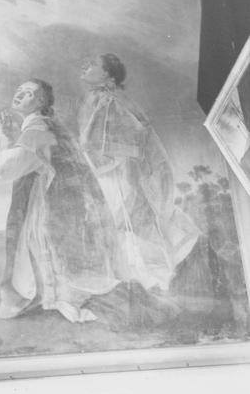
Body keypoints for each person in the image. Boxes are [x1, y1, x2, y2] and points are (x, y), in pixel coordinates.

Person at [0, 79, 119, 323]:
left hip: (48, 202)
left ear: (40, 101)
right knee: (39, 246)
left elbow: (5, 169)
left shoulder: (36, 130)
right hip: (55, 199)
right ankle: (52, 296)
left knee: (39, 244)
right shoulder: (46, 126)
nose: (19, 95)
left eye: (28, 93)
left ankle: (55, 298)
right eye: (18, 91)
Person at [78, 54, 200, 291]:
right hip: (107, 173)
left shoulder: (112, 100)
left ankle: (156, 279)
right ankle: (137, 279)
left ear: (108, 74)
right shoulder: (95, 99)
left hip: (123, 174)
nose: (85, 65)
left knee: (131, 219)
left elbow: (135, 140)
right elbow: (90, 143)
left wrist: (130, 179)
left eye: (92, 63)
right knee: (118, 223)